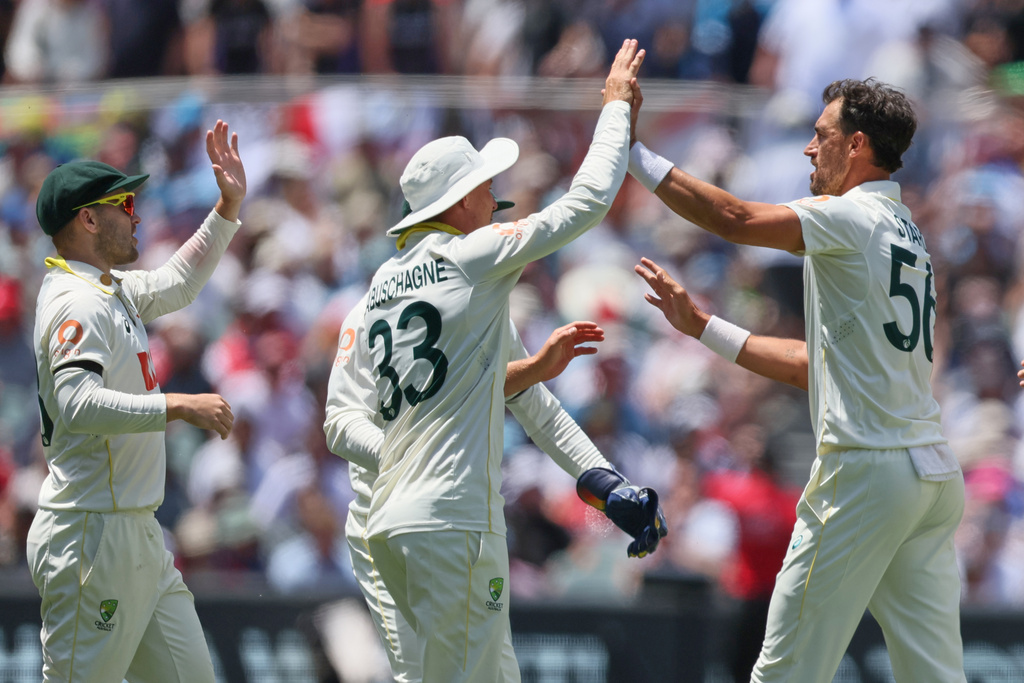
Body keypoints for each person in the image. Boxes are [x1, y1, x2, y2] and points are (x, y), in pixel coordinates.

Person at [333, 39, 655, 681]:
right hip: (449, 517)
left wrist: (600, 478)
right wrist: (616, 107)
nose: (495, 195)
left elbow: (507, 395)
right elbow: (586, 204)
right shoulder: (469, 258)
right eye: (485, 185)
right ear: (456, 204)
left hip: (391, 524)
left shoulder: (376, 297)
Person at [631, 79, 966, 681]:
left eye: (821, 136)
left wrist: (631, 151)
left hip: (866, 471)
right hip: (929, 477)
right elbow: (820, 364)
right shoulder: (907, 233)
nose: (809, 150)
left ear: (857, 145)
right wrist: (703, 326)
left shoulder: (850, 218)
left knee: (783, 673)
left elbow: (733, 218)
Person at [27, 120, 246, 682]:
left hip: (134, 531)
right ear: (88, 218)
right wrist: (177, 405)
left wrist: (226, 207)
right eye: (125, 202)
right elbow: (79, 404)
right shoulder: (77, 302)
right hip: (90, 533)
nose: (137, 214)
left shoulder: (106, 289)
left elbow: (178, 282)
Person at [327, 299, 627, 680]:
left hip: (469, 520)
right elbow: (340, 423)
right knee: (425, 675)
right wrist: (409, 460)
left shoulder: (486, 301)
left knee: (494, 674)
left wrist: (609, 482)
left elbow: (535, 406)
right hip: (391, 519)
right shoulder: (371, 309)